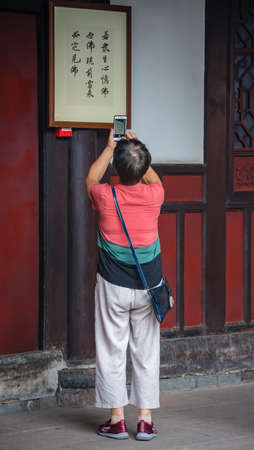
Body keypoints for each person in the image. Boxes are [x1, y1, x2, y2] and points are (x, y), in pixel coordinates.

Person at [85, 129, 164, 441]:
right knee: (146, 351)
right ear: (143, 171)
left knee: (111, 348)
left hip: (113, 286)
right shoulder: (156, 194)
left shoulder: (105, 196)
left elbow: (90, 178)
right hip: (149, 287)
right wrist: (138, 149)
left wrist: (110, 148)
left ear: (116, 170)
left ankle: (116, 419)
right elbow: (153, 179)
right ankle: (145, 420)